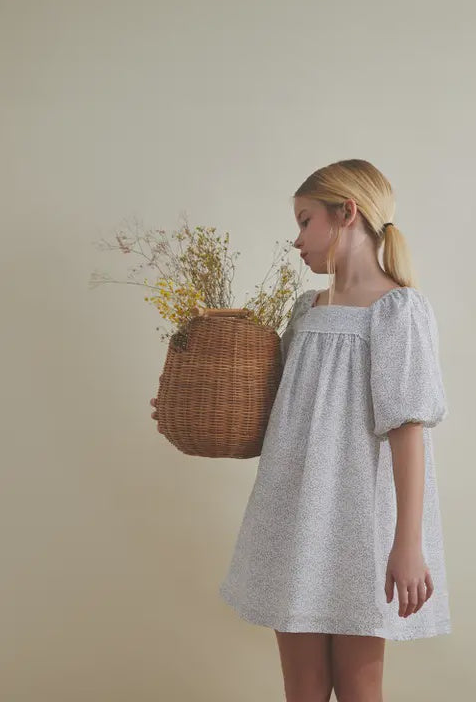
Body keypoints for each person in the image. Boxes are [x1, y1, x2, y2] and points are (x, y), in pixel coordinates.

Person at [151, 159, 450, 701]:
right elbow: (279, 414)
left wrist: (407, 541)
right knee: (302, 689)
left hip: (362, 522)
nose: (296, 239)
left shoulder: (397, 311)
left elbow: (408, 428)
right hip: (293, 515)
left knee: (361, 688)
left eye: (305, 220)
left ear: (347, 214)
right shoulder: (305, 310)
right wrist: (188, 405)